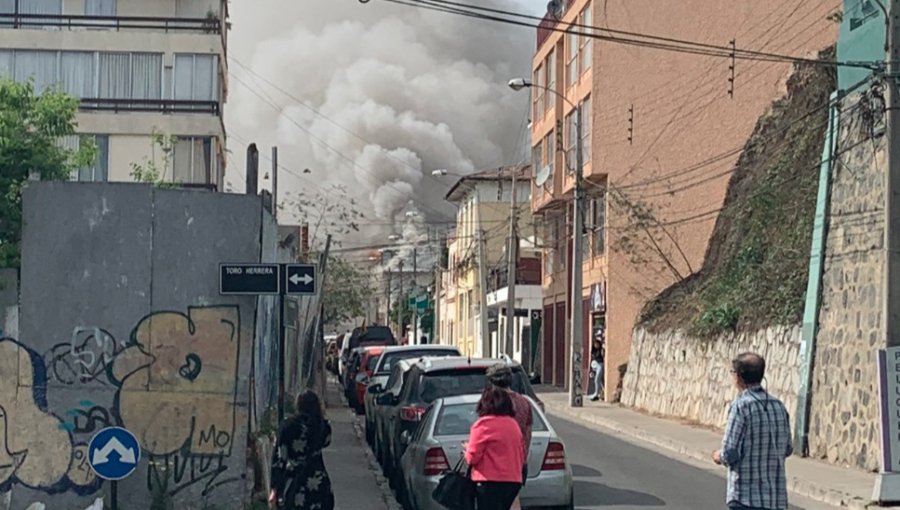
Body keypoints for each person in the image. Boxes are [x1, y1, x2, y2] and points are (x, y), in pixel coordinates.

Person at [711, 353, 792, 510]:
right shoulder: (779, 406)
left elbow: (730, 453)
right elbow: (787, 448)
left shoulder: (741, 406)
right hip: (775, 499)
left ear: (739, 377)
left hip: (746, 498)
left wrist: (717, 456)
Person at [269, 390, 335, 510]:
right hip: (318, 483)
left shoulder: (287, 426)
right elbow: (327, 442)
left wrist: (274, 488)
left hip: (295, 484)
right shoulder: (323, 427)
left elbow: (280, 459)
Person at [464, 386, 524, 510]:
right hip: (512, 480)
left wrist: (466, 449)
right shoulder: (513, 425)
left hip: (488, 480)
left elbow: (472, 458)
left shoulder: (482, 425)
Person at [589, 336, 604, 401]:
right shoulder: (593, 351)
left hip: (600, 365)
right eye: (595, 344)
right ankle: (599, 393)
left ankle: (597, 393)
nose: (596, 345)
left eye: (597, 344)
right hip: (595, 366)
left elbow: (602, 357)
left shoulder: (601, 350)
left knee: (597, 379)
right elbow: (592, 358)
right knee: (600, 380)